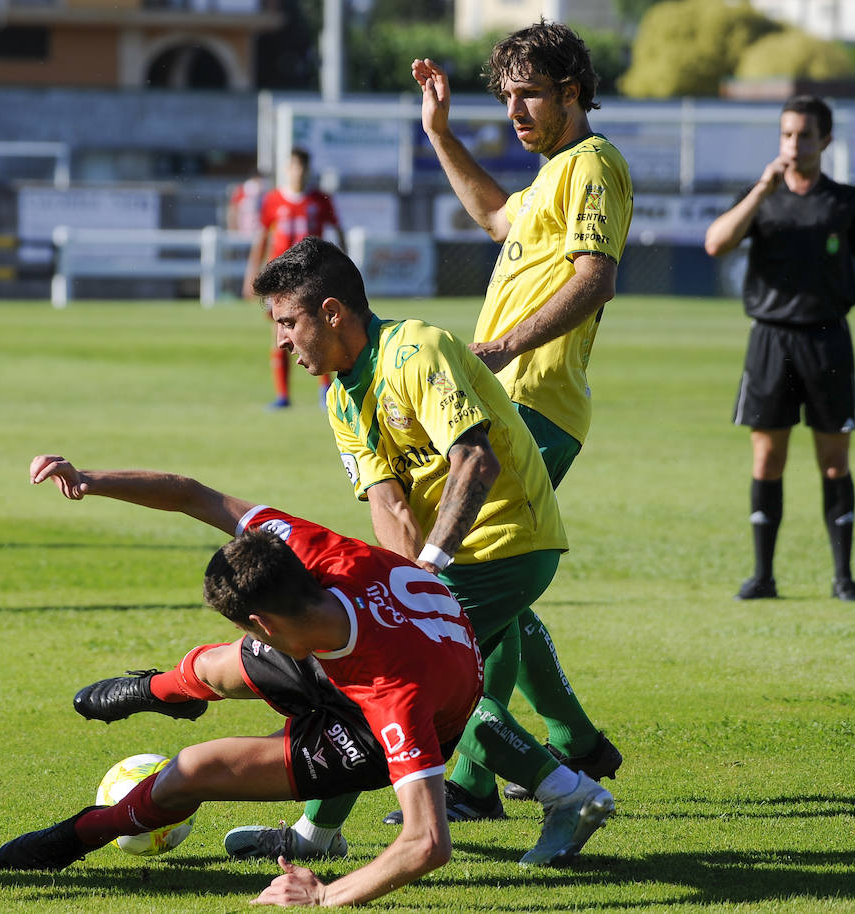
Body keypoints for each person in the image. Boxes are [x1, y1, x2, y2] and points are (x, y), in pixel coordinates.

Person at [0, 454, 615, 906]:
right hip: (339, 640)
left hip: (367, 728)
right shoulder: (314, 554)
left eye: (251, 630)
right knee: (215, 666)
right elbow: (192, 493)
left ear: (262, 621)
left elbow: (428, 843)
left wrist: (323, 898)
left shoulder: (396, 699)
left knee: (195, 769)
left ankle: (84, 833)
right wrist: (88, 480)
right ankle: (163, 692)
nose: (250, 637)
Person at [234, 236, 618, 855]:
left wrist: (427, 573)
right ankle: (320, 832)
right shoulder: (341, 396)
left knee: (393, 669)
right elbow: (387, 501)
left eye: (288, 322)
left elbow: (475, 463)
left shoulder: (417, 350)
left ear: (332, 312)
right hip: (454, 555)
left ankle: (565, 792)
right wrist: (397, 580)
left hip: (507, 542)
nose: (280, 340)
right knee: (387, 666)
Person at [413, 24, 631, 801]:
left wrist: (504, 346)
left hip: (537, 402)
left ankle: (476, 774)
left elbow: (595, 278)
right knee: (493, 583)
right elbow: (497, 218)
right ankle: (565, 735)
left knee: (476, 585)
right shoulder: (550, 177)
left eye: (529, 92)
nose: (514, 109)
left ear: (573, 91)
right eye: (506, 95)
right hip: (511, 404)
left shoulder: (594, 163)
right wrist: (440, 134)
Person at [704, 95, 855, 603]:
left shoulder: (846, 201)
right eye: (787, 134)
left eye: (805, 135)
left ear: (825, 141)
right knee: (767, 458)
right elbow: (716, 243)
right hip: (770, 340)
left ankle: (843, 577)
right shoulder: (762, 194)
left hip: (828, 340)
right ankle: (763, 576)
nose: (794, 144)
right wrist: (762, 189)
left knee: (834, 461)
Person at [241, 147, 344, 409]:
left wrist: (343, 267)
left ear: (307, 170)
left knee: (318, 329)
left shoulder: (319, 200)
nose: (297, 171)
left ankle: (326, 390)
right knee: (280, 332)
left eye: (301, 167)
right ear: (287, 169)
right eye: (293, 166)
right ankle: (283, 395)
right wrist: (251, 275)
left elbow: (337, 231)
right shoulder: (273, 200)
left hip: (312, 276)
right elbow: (262, 239)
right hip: (280, 280)